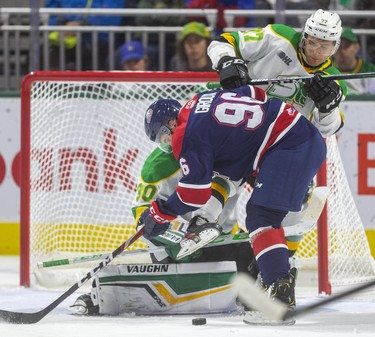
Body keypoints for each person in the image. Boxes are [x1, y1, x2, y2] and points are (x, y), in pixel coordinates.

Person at [137, 84, 326, 324]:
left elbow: (194, 193)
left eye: (164, 137)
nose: (167, 144)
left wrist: (161, 212)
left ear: (171, 124)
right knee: (230, 175)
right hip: (291, 138)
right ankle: (277, 278)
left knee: (261, 217)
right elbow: (255, 93)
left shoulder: (185, 133)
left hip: (287, 146)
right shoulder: (203, 98)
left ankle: (280, 296)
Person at [207, 8, 347, 139]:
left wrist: (328, 108)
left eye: (324, 47)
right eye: (312, 43)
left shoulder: (333, 81)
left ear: (335, 47)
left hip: (281, 141)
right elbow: (223, 42)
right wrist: (226, 61)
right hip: (239, 123)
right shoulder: (278, 37)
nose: (316, 52)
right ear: (304, 37)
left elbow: (324, 131)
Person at [44, 0, 125, 70]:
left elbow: (112, 16)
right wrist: (63, 24)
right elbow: (50, 15)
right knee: (45, 53)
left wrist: (81, 25)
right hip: (63, 42)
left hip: (98, 42)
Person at [332, 27, 375, 94]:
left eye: (346, 46)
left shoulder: (370, 69)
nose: (342, 51)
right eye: (338, 46)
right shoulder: (326, 71)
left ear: (356, 47)